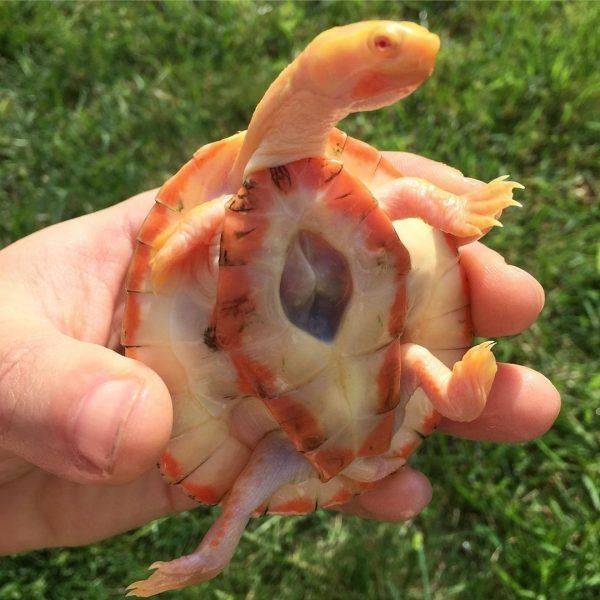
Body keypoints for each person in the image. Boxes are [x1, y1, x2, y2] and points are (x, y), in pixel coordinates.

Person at [0, 152, 560, 554]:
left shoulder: (324, 209)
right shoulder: (235, 217)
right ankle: (212, 553)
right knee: (397, 372)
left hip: (345, 383)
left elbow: (401, 199)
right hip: (280, 401)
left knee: (395, 370)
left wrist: (453, 210)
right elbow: (197, 233)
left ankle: (211, 552)